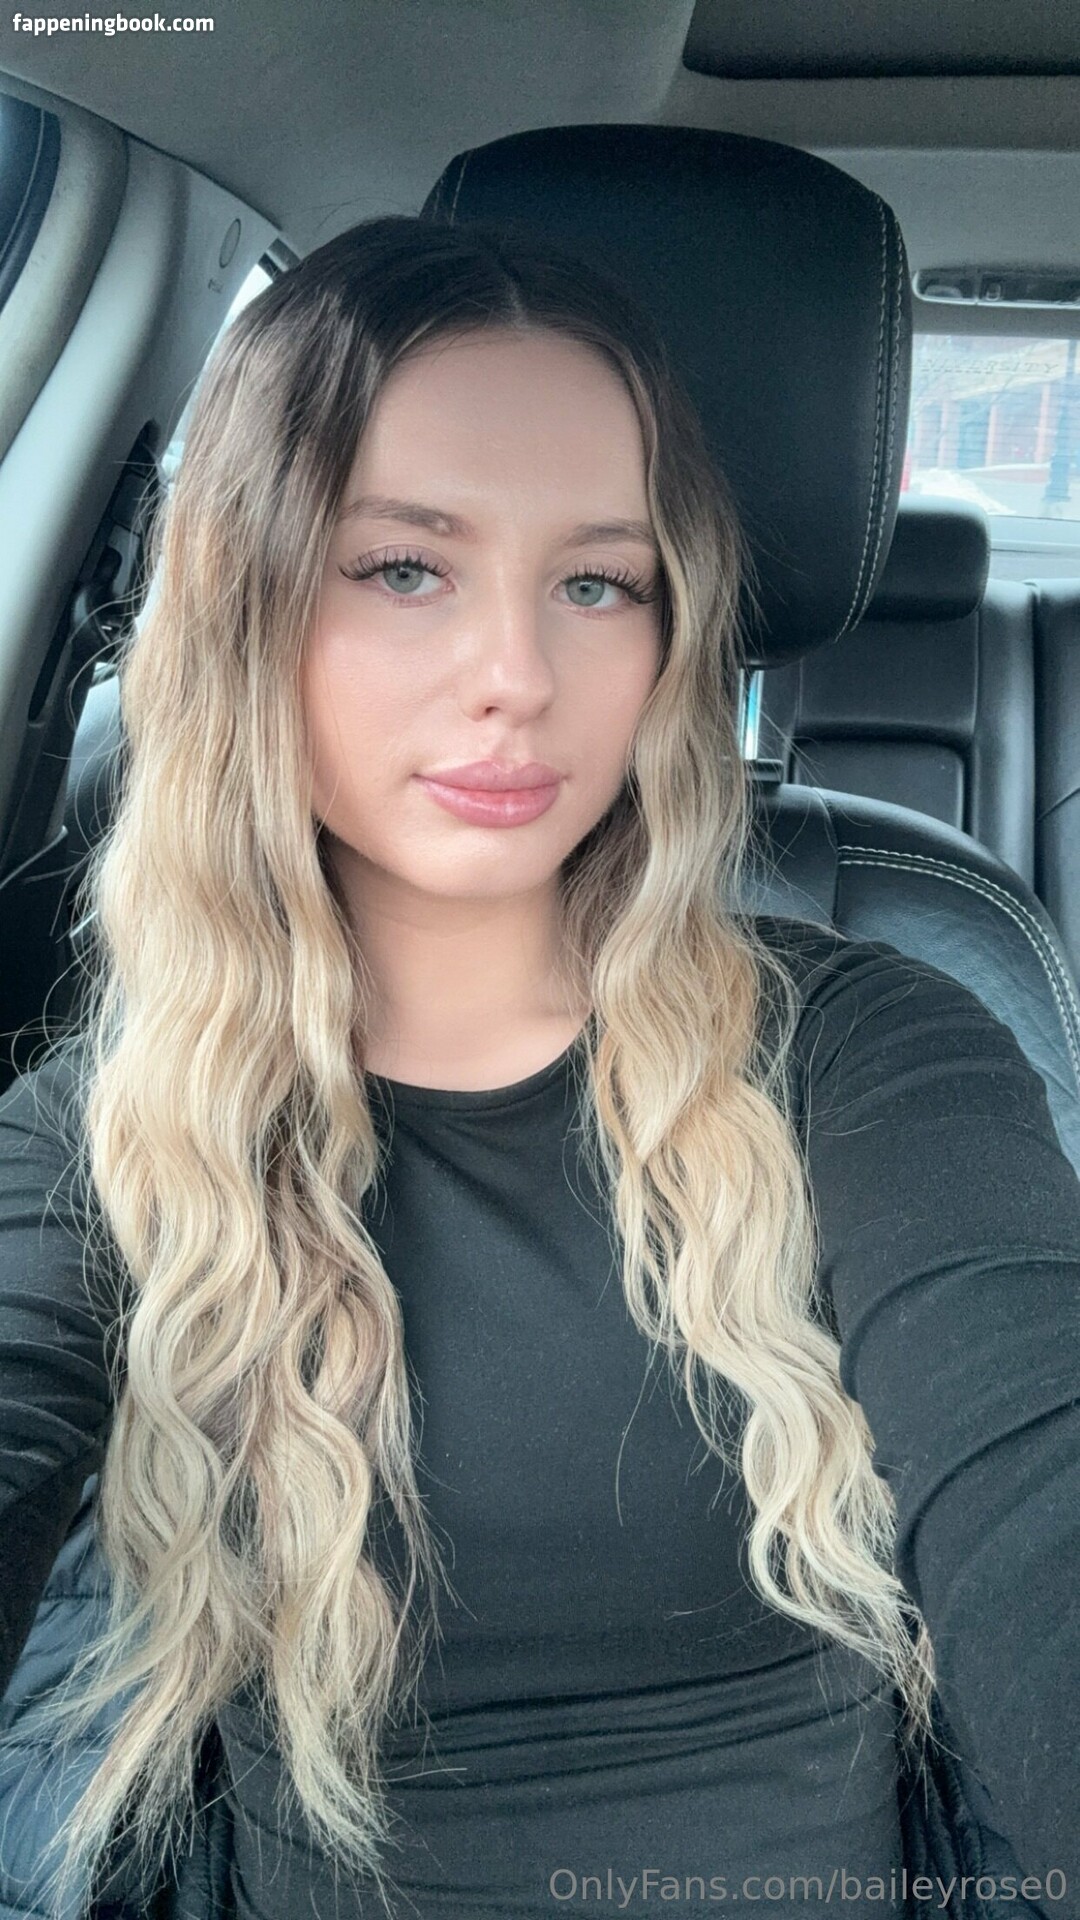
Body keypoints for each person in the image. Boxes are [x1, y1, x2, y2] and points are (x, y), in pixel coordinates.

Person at [0, 214, 1077, 1920]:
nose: (518, 678)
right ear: (246, 603)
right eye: (403, 567)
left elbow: (1040, 1472)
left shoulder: (872, 1055)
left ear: (668, 633)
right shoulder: (106, 1136)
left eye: (598, 583)